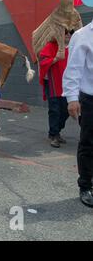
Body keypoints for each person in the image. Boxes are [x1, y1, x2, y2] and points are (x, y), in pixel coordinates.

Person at [63, 20, 93, 208]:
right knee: (89, 143)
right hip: (90, 99)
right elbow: (73, 69)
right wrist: (72, 99)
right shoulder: (82, 35)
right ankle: (85, 186)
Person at [39, 32, 71, 148]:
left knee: (66, 110)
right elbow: (42, 61)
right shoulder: (51, 46)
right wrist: (56, 58)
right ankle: (54, 134)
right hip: (53, 83)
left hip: (67, 84)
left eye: (70, 33)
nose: (68, 35)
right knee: (55, 110)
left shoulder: (73, 46)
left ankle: (56, 130)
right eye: (65, 33)